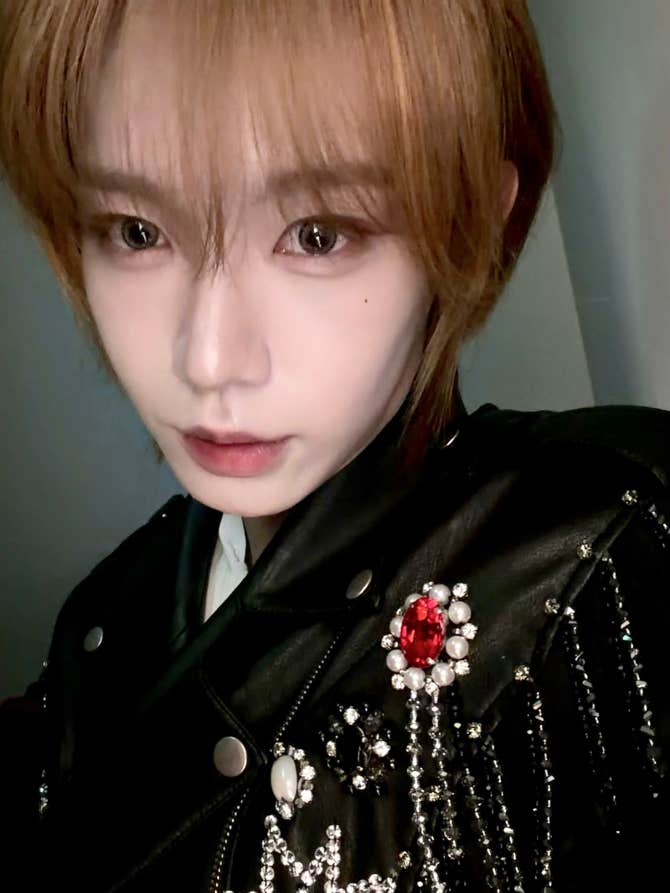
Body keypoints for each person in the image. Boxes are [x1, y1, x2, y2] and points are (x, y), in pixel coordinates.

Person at [1, 1, 668, 891]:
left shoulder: (594, 556)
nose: (208, 359)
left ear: (477, 219)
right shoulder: (105, 616)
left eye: (317, 235)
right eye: (136, 230)